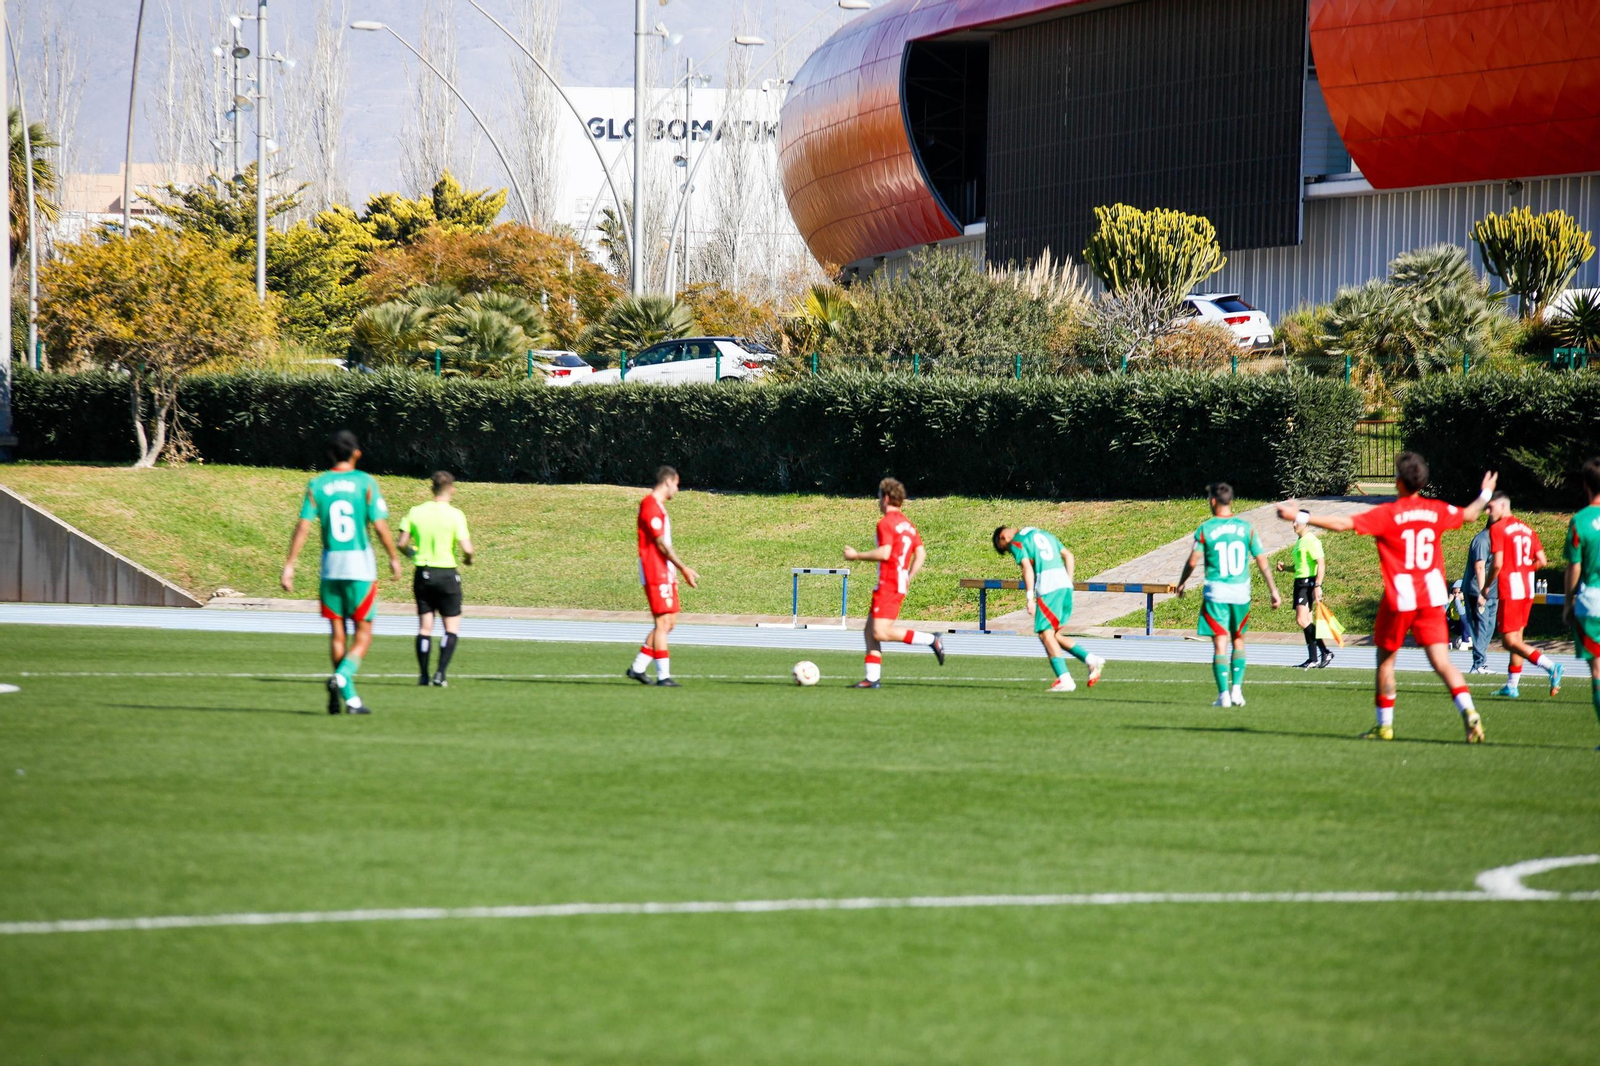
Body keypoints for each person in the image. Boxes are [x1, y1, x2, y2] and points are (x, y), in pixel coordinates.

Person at [1278, 453, 1496, 743]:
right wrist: (1486, 493)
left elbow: (1343, 524)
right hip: (1431, 596)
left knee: (1385, 662)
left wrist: (1301, 515)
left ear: (1398, 482)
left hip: (1400, 597)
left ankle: (1385, 726)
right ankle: (1468, 711)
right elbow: (1470, 514)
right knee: (1443, 663)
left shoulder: (1389, 514)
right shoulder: (1435, 510)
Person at [280, 430, 402, 715]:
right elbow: (381, 525)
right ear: (356, 453)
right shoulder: (365, 482)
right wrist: (394, 557)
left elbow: (303, 526)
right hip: (360, 565)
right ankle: (344, 677)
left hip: (331, 566)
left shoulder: (317, 484)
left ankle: (349, 698)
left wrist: (290, 565)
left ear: (331, 454)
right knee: (364, 633)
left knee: (337, 632)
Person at [1177, 482, 1281, 708]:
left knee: (1220, 644)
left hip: (1217, 593)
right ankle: (1237, 692)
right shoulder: (1246, 528)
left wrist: (1182, 582)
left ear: (1213, 501)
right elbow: (1262, 560)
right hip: (1240, 593)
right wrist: (1273, 590)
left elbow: (1193, 561)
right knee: (1239, 640)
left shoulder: (1206, 529)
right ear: (1231, 501)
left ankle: (1223, 695)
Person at [842, 478, 945, 688]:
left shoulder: (886, 523)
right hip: (895, 582)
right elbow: (921, 553)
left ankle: (931, 639)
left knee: (880, 632)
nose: (878, 501)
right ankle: (872, 678)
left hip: (889, 583)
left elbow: (885, 552)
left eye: (879, 497)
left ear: (886, 497)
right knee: (869, 631)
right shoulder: (907, 524)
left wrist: (856, 555)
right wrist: (908, 576)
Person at [993, 525, 1107, 692]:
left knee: (1045, 633)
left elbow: (1026, 568)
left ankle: (1065, 679)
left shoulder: (1017, 542)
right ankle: (1090, 659)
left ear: (1004, 537)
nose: (1010, 551)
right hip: (1064, 585)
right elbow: (1069, 556)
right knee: (1053, 634)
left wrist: (1029, 597)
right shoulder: (1045, 534)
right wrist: (1068, 581)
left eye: (1006, 549)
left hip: (1048, 587)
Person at [398, 471, 475, 688]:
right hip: (447, 573)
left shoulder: (416, 512)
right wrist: (468, 559)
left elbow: (401, 543)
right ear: (452, 489)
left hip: (423, 573)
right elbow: (467, 548)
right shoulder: (455, 514)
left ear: (431, 489)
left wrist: (412, 554)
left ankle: (423, 675)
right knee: (451, 627)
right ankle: (440, 673)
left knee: (425, 627)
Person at [627, 466, 699, 687]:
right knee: (661, 623)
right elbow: (660, 543)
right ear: (669, 481)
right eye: (677, 484)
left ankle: (638, 668)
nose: (677, 490)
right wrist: (683, 567)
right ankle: (663, 676)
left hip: (664, 570)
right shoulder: (650, 505)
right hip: (654, 569)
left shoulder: (658, 506)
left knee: (669, 623)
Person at [1484, 491, 1561, 698]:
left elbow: (1497, 564)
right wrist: (1525, 569)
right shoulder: (1527, 529)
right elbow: (1542, 561)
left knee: (1509, 641)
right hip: (1527, 588)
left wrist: (1486, 586)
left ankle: (1551, 666)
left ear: (1502, 506)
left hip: (1511, 588)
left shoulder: (1498, 528)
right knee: (1517, 637)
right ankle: (1512, 685)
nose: (1487, 511)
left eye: (1490, 507)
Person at [1560, 457, 1600, 748]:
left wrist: (1567, 602)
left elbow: (1574, 567)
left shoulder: (1580, 521)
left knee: (1598, 670)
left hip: (1593, 603)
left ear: (1586, 486)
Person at [1276, 516, 1332, 668]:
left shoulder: (1312, 540)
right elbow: (1300, 566)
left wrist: (1317, 585)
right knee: (1307, 621)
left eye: (1297, 522)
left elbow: (1321, 563)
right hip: (1299, 582)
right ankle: (1313, 658)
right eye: (1293, 522)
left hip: (1307, 583)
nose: (1294, 524)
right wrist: (1286, 568)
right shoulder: (1300, 541)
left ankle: (1325, 651)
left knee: (1302, 620)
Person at [1460, 512, 1499, 673]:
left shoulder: (1498, 541)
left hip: (1493, 592)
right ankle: (1478, 664)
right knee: (1480, 628)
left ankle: (1480, 662)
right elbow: (1479, 567)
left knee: (1488, 627)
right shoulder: (1483, 540)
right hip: (1478, 591)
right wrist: (1483, 592)